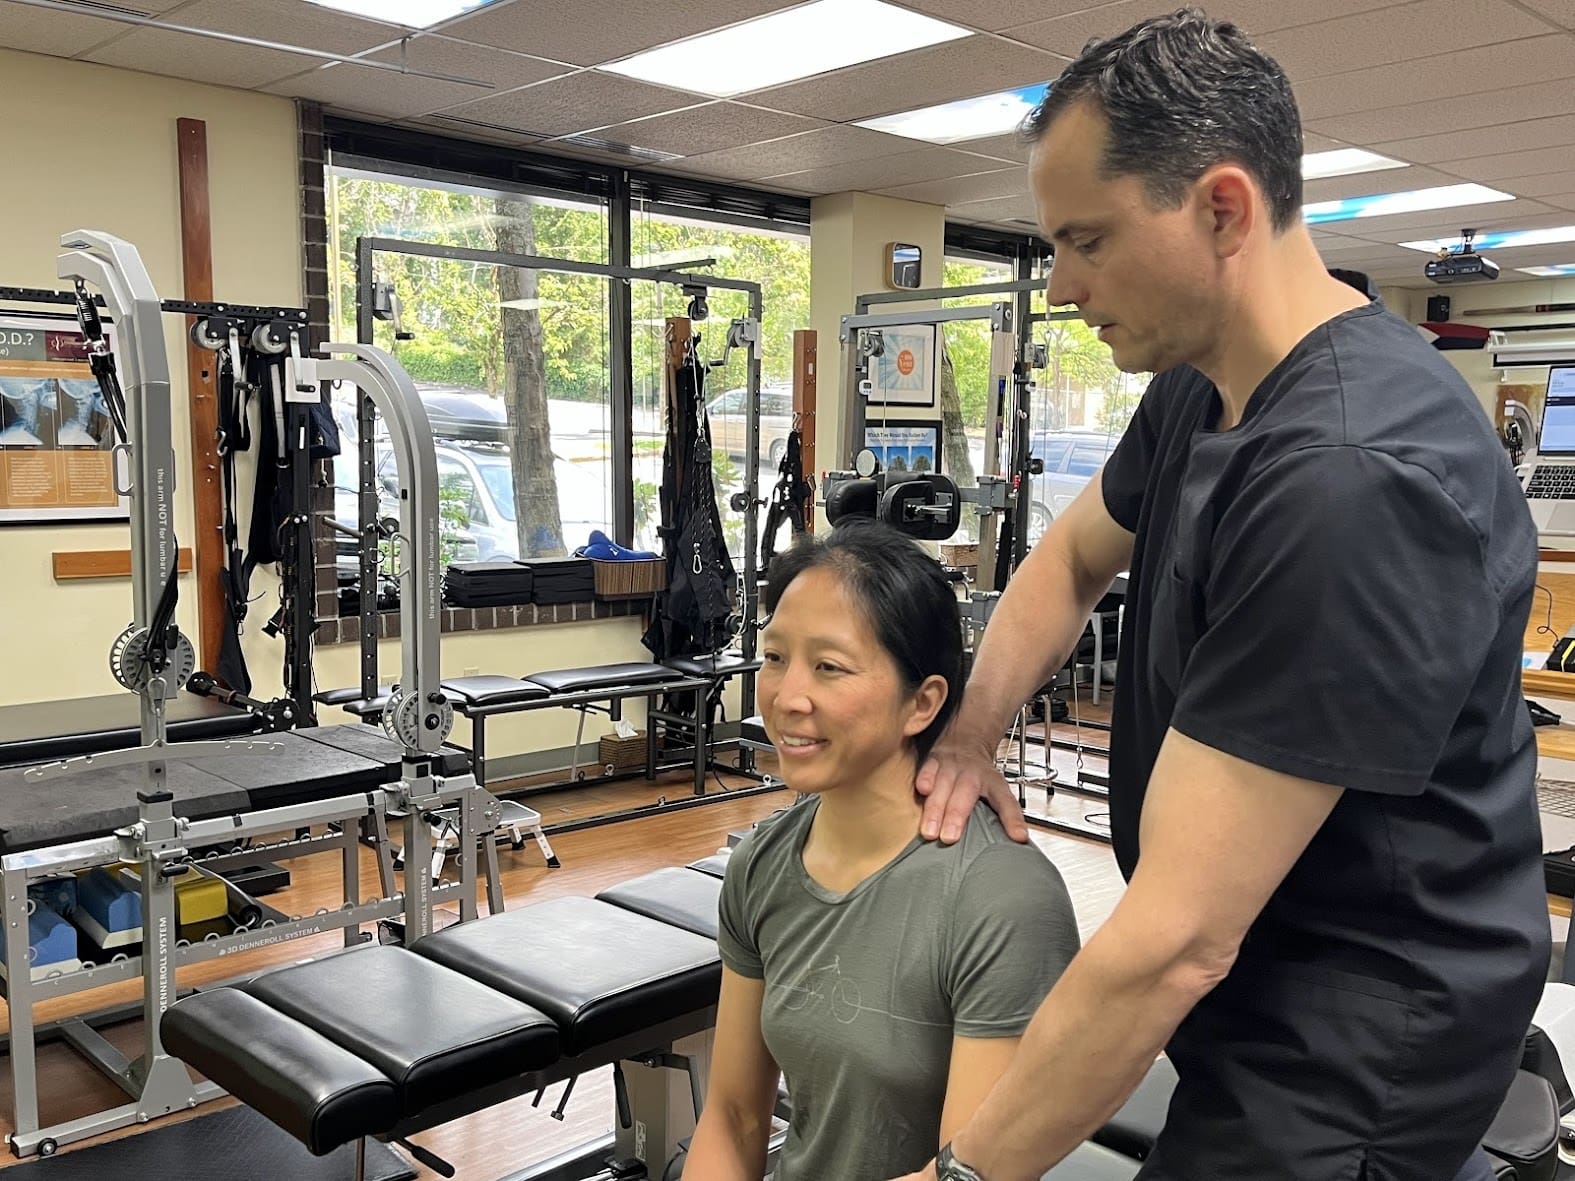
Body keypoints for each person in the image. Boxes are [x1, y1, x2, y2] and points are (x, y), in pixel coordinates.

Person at [897, 10, 1549, 1181]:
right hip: (1256, 969)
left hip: (1358, 1042)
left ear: (1223, 208)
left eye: (1085, 241)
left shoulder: (1350, 479)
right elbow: (1069, 558)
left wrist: (960, 1173)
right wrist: (971, 732)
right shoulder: (1207, 386)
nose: (1062, 285)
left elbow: (1176, 943)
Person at [684, 521, 1082, 1180]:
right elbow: (733, 1114)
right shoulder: (762, 863)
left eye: (829, 667)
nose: (787, 697)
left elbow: (968, 1172)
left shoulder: (1001, 899)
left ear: (921, 703)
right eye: (775, 656)